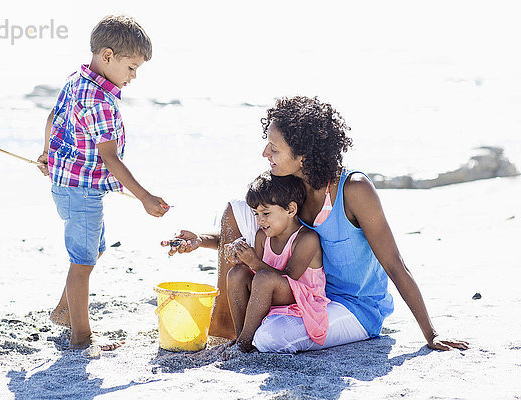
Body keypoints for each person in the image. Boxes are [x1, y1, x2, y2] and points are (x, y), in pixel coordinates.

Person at [162, 96, 468, 352]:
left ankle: (249, 334)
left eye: (275, 148)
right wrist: (200, 239)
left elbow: (394, 263)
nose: (265, 153)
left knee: (269, 337)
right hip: (301, 290)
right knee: (235, 209)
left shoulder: (354, 190)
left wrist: (431, 334)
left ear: (304, 157)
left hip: (350, 306)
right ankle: (227, 326)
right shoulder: (288, 184)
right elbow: (264, 230)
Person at [37, 15, 169, 353]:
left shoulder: (77, 79)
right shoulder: (98, 101)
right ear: (108, 56)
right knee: (82, 262)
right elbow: (111, 159)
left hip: (73, 185)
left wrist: (47, 152)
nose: (134, 76)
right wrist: (144, 197)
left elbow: (54, 116)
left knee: (92, 250)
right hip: (81, 190)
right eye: (132, 67)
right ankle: (81, 336)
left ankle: (65, 311)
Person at [225, 172, 330, 353]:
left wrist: (254, 262)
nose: (260, 220)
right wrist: (242, 259)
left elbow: (289, 277)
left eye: (265, 213)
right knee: (236, 273)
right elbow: (255, 272)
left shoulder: (306, 239)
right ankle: (241, 336)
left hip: (303, 296)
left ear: (290, 210)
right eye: (256, 214)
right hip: (272, 288)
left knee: (264, 278)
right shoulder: (262, 236)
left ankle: (244, 342)